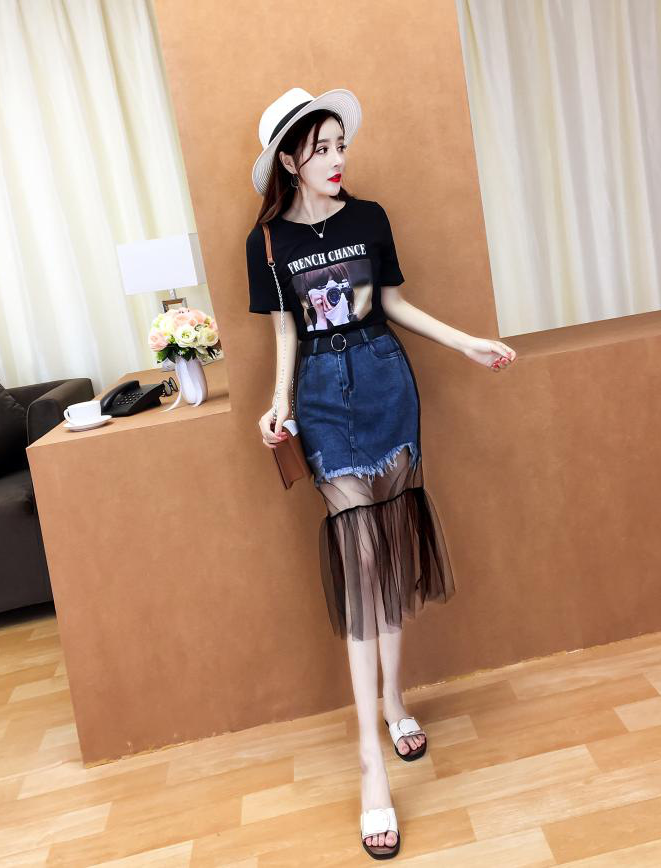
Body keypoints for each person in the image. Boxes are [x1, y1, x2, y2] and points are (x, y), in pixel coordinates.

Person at [245, 87, 516, 860]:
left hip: (387, 383)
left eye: (342, 145)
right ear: (290, 159)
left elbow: (391, 305)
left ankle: (396, 698)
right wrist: (278, 404)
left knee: (391, 551)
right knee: (360, 566)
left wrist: (465, 342)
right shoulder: (268, 243)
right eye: (322, 148)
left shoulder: (369, 218)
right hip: (322, 400)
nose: (338, 159)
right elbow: (286, 334)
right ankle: (371, 761)